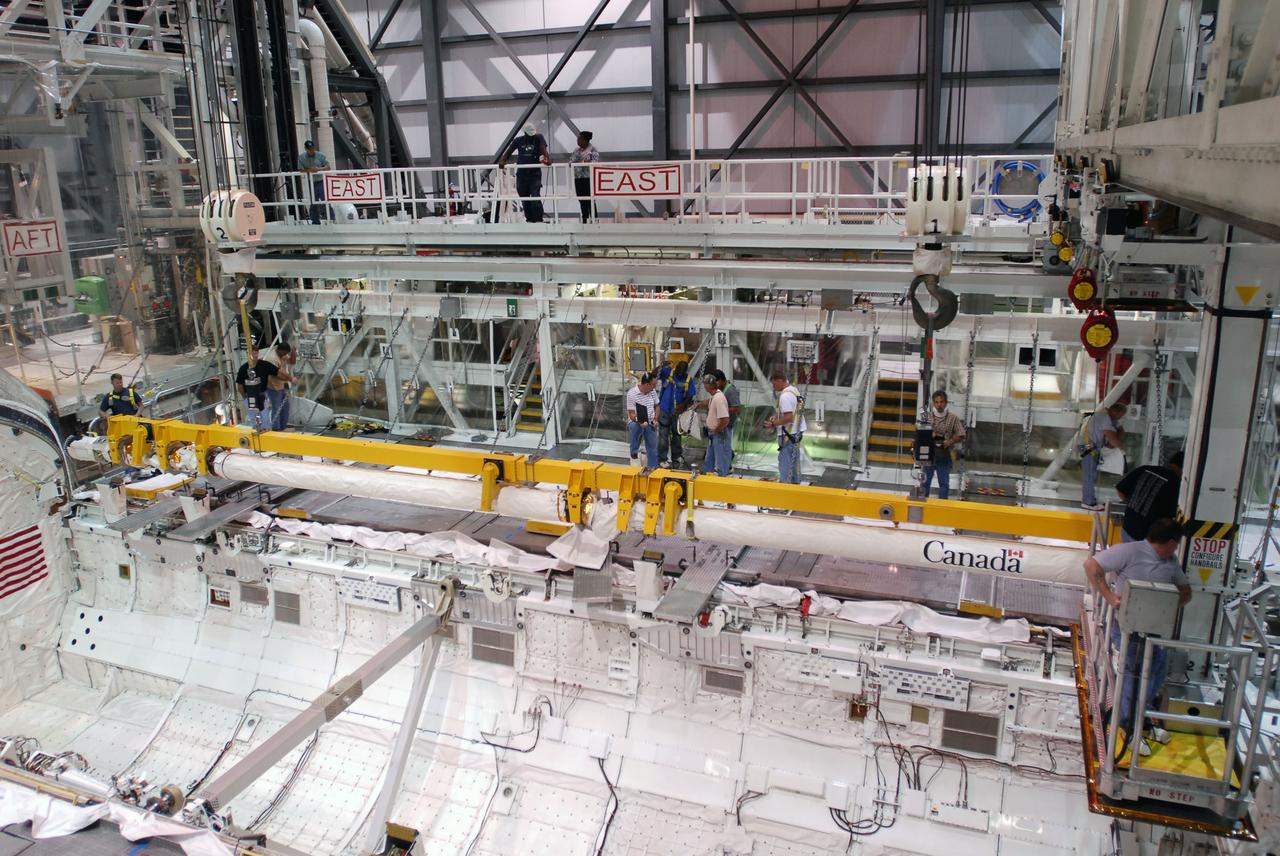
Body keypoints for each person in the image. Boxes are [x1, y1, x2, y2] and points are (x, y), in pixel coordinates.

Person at [1083, 518, 1192, 757]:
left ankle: (1143, 722)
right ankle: (1127, 726)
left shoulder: (1171, 562)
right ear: (1171, 542)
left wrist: (1170, 605)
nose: (1176, 550)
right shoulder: (1130, 552)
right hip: (1130, 630)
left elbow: (1186, 591)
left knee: (1155, 675)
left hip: (1157, 630)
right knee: (1131, 676)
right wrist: (1110, 596)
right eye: (1176, 545)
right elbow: (1091, 565)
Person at [1116, 451, 1184, 542]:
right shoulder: (1175, 484)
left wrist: (1134, 504)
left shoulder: (1145, 469)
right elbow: (1170, 518)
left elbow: (1120, 490)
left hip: (1127, 529)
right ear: (1183, 468)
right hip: (1146, 539)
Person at [1079, 402, 1127, 510]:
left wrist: (1117, 436)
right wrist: (1121, 449)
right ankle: (1088, 502)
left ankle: (1089, 498)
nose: (1121, 418)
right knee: (1090, 475)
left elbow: (1120, 430)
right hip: (1088, 448)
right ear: (1115, 411)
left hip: (1090, 447)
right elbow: (1112, 438)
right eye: (1121, 415)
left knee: (1092, 475)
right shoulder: (1104, 418)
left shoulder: (1106, 416)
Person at [499, 124, 551, 223]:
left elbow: (543, 148)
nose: (532, 136)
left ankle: (539, 219)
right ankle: (530, 219)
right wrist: (503, 160)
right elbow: (509, 151)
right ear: (525, 133)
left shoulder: (539, 137)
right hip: (522, 174)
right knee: (524, 198)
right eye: (530, 134)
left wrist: (547, 158)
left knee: (535, 197)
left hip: (534, 174)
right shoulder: (518, 140)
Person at [920, 390, 966, 500]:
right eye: (936, 402)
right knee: (925, 482)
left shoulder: (953, 418)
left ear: (946, 402)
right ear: (933, 403)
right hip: (929, 455)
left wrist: (950, 441)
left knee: (944, 484)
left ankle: (942, 507)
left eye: (941, 402)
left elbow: (962, 435)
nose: (939, 404)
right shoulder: (926, 417)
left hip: (944, 455)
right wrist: (929, 433)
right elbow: (919, 433)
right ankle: (923, 504)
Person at [764, 371, 807, 484]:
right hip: (797, 430)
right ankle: (795, 483)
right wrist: (777, 416)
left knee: (785, 461)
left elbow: (788, 418)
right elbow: (793, 410)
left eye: (774, 384)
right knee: (794, 459)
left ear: (780, 381)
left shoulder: (785, 396)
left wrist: (773, 424)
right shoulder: (794, 391)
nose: (773, 387)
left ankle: (785, 485)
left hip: (789, 433)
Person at [657, 359, 696, 466]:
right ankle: (662, 458)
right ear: (676, 367)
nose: (679, 373)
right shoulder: (667, 372)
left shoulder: (688, 380)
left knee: (677, 435)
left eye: (682, 372)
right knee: (663, 435)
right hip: (665, 410)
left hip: (677, 413)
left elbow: (690, 395)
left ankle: (676, 456)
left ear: (685, 371)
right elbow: (654, 374)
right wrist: (660, 366)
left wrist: (682, 405)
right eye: (678, 370)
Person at [236, 347, 279, 431]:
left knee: (265, 416)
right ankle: (256, 430)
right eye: (252, 353)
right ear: (248, 355)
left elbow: (277, 372)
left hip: (262, 394)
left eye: (256, 353)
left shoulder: (264, 365)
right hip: (250, 396)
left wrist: (290, 378)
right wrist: (245, 398)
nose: (254, 355)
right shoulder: (243, 368)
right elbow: (240, 385)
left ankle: (266, 432)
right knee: (253, 417)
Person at [626, 372, 660, 468]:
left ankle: (653, 467)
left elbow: (657, 406)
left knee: (652, 446)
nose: (654, 388)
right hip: (637, 421)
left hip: (650, 421)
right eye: (653, 385)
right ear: (646, 384)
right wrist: (640, 421)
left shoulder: (652, 392)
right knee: (634, 426)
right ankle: (634, 453)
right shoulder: (632, 393)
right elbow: (632, 414)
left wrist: (655, 419)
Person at [261, 342, 297, 432]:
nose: (285, 355)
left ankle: (283, 426)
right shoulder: (272, 358)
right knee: (276, 407)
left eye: (286, 353)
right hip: (272, 386)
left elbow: (292, 362)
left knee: (285, 405)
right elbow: (278, 374)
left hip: (280, 385)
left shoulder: (282, 354)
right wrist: (290, 379)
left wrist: (293, 352)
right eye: (284, 353)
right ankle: (276, 428)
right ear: (279, 350)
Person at [703, 374, 731, 476]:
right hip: (714, 434)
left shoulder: (718, 398)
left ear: (707, 386)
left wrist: (717, 430)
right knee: (709, 462)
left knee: (721, 465)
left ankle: (721, 480)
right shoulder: (714, 397)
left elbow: (725, 419)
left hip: (719, 434)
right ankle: (707, 479)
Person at [569, 130, 600, 222]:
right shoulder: (576, 150)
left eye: (579, 139)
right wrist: (583, 162)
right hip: (578, 178)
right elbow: (570, 162)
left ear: (585, 140)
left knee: (590, 199)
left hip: (588, 178)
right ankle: (584, 219)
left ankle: (594, 219)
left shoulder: (593, 150)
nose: (577, 141)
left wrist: (579, 162)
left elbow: (594, 163)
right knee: (581, 199)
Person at [298, 140, 330, 225]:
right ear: (306, 149)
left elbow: (328, 166)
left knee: (325, 200)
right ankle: (315, 221)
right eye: (309, 149)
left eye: (312, 148)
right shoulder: (301, 157)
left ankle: (331, 219)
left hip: (321, 181)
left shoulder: (321, 156)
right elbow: (300, 170)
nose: (311, 150)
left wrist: (319, 169)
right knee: (313, 201)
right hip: (311, 182)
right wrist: (309, 170)